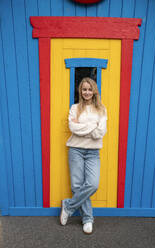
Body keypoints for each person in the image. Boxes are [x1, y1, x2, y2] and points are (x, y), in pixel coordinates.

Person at [60, 77, 107, 234]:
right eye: (84, 89)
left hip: (93, 152)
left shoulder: (102, 109)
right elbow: (73, 128)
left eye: (89, 89)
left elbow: (101, 132)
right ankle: (87, 219)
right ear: (80, 91)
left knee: (93, 184)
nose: (87, 92)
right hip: (75, 149)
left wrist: (83, 127)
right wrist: (92, 125)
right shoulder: (74, 108)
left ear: (94, 91)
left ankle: (68, 206)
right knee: (77, 185)